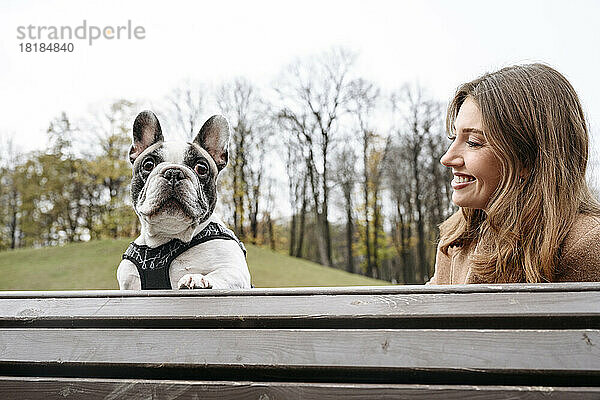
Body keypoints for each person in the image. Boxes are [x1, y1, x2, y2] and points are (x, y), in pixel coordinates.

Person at [428, 63, 600, 284]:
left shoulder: (586, 245)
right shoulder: (457, 236)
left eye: (473, 142)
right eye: (454, 139)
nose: (447, 158)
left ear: (527, 159)